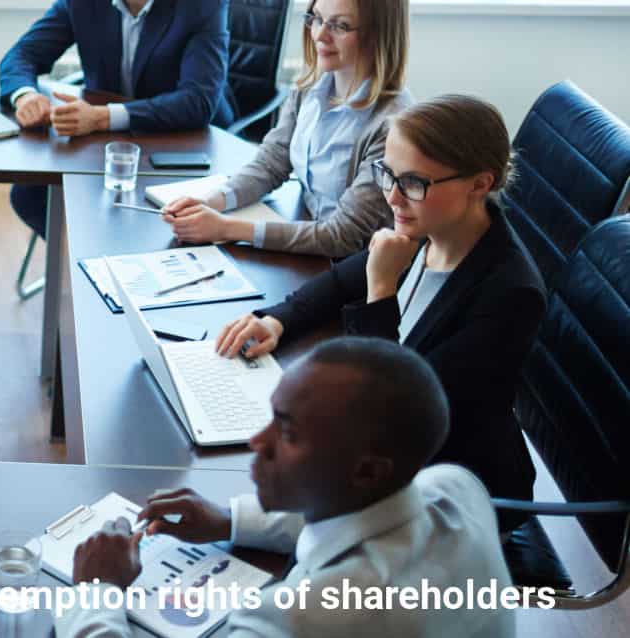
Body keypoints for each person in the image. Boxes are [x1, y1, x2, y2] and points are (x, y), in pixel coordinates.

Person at [214, 95, 545, 525]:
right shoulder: (433, 226)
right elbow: (340, 281)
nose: (392, 197)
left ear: (479, 185)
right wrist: (278, 319)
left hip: (452, 498)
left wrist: (382, 288)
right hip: (390, 464)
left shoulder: (510, 295)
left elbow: (389, 414)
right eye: (387, 174)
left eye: (412, 183)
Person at [59, 337, 516, 637]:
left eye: (289, 432)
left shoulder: (299, 619)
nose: (258, 441)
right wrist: (232, 520)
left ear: (368, 471)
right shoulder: (456, 486)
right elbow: (359, 515)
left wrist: (97, 589)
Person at [0, 0, 234, 240]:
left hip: (182, 145)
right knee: (29, 195)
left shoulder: (203, 1)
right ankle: (83, 270)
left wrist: (102, 116)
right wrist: (25, 95)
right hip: (102, 145)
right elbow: (22, 55)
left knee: (158, 227)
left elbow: (197, 103)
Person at [162, 0, 414, 257]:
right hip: (303, 236)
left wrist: (225, 228)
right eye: (317, 19)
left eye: (340, 25)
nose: (320, 35)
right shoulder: (310, 86)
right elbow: (272, 163)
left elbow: (343, 236)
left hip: (354, 265)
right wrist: (212, 200)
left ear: (378, 34)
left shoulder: (391, 126)